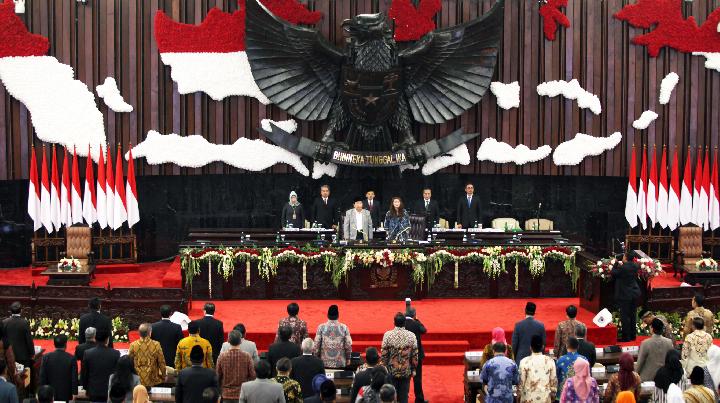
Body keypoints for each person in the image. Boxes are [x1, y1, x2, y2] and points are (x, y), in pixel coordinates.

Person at [381, 313, 418, 403]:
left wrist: (385, 367)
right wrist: (413, 369)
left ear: (394, 322)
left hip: (391, 370)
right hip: (406, 371)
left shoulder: (388, 335)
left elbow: (384, 354)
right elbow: (415, 355)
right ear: (405, 323)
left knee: (390, 397)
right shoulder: (411, 336)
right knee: (404, 396)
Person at [216, 330, 256, 402]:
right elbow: (253, 376)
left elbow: (218, 376)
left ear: (228, 340)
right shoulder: (247, 356)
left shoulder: (222, 357)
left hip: (226, 395)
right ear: (240, 341)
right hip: (242, 393)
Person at [81, 329, 120, 402]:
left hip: (93, 391)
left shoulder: (88, 353)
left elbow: (84, 373)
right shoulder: (115, 354)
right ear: (107, 340)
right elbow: (117, 373)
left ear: (95, 338)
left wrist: (86, 387)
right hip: (109, 391)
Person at [611, 252, 641, 341]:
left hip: (625, 294)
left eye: (623, 256)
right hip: (634, 293)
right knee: (632, 315)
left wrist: (616, 262)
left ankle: (626, 337)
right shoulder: (635, 266)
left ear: (626, 258)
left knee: (625, 316)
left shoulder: (623, 268)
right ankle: (633, 335)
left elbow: (613, 272)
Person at [39, 334, 77, 402]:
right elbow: (74, 378)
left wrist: (42, 392)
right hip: (66, 394)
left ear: (54, 344)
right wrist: (74, 393)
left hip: (49, 394)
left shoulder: (46, 357)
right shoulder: (71, 358)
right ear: (66, 344)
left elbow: (42, 376)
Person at [519, 335, 557, 403]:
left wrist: (518, 396)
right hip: (544, 399)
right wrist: (553, 396)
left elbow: (521, 383)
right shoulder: (550, 361)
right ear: (542, 347)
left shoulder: (524, 361)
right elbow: (553, 382)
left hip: (528, 399)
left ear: (530, 347)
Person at [128, 323, 166, 387]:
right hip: (152, 379)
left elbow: (129, 361)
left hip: (138, 378)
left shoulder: (133, 345)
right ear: (150, 333)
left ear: (139, 333)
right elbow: (161, 362)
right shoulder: (156, 344)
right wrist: (164, 375)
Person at [404, 307, 427, 403]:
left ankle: (403, 398)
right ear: (414, 315)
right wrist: (417, 319)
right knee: (417, 378)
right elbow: (424, 330)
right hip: (416, 355)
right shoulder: (416, 323)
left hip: (405, 355)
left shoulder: (402, 324)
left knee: (404, 378)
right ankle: (419, 399)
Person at [3, 302, 34, 368]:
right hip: (22, 356)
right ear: (21, 311)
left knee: (10, 375)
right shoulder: (24, 323)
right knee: (24, 375)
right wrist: (32, 353)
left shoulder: (5, 322)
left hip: (8, 356)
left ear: (10, 311)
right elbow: (29, 340)